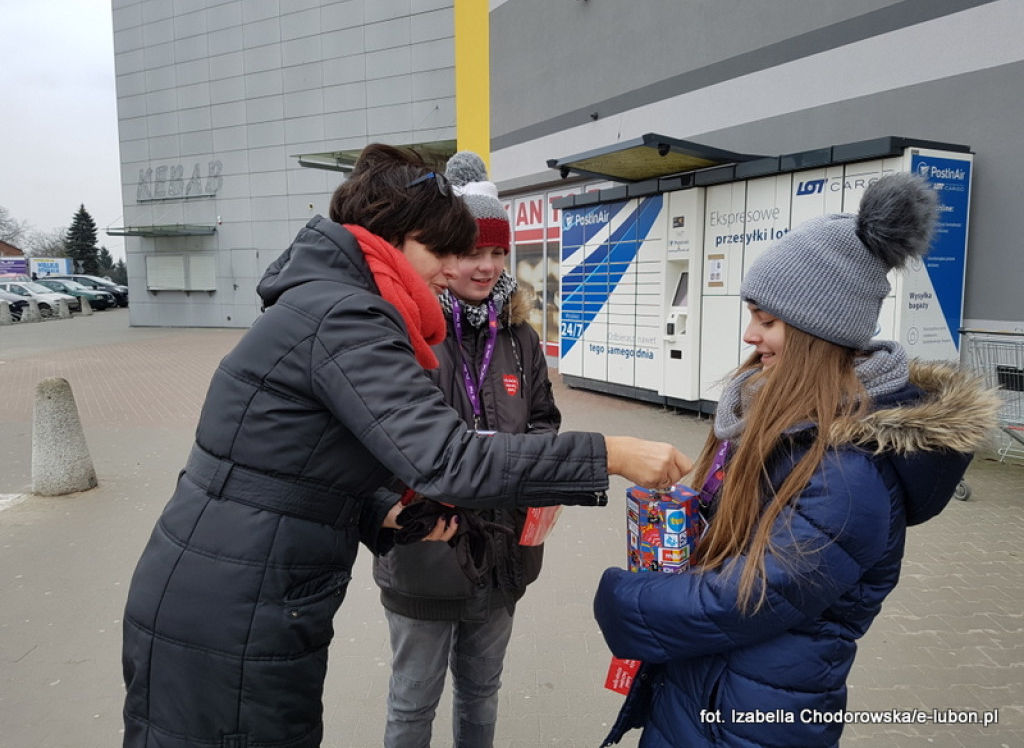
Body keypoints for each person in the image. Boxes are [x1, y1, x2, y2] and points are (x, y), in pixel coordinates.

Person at [120, 143, 691, 748]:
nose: (455, 268)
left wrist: (377, 510)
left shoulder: (331, 302)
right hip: (236, 603)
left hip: (244, 585)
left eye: (482, 250)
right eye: (442, 250)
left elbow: (284, 461)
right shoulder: (347, 315)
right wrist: (613, 453)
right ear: (390, 236)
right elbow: (448, 459)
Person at [593, 172, 1000, 748]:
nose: (750, 335)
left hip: (754, 715)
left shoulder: (847, 471)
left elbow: (748, 597)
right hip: (711, 686)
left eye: (767, 319)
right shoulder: (784, 417)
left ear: (817, 331)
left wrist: (625, 599)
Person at [373, 151, 554, 748]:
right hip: (425, 555)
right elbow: (369, 441)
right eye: (473, 251)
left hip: (504, 554)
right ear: (445, 255)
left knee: (482, 691)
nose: (486, 266)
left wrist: (544, 478)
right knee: (412, 703)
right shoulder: (402, 331)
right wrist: (391, 508)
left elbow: (545, 422)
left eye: (498, 252)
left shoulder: (521, 338)